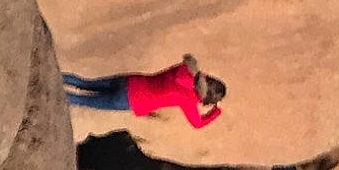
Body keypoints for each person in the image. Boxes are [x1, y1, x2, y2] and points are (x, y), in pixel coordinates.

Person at [62, 55, 226, 128]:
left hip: (130, 81)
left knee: (85, 83)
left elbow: (191, 76)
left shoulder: (184, 69)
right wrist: (216, 112)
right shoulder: (189, 99)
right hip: (131, 101)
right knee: (83, 101)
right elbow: (197, 124)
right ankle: (56, 95)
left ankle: (56, 76)